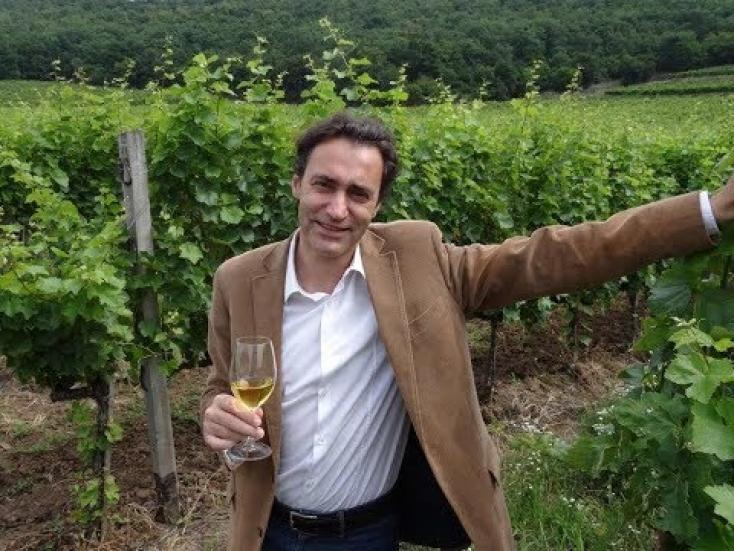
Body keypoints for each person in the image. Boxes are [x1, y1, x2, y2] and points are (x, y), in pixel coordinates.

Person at [201, 112, 733, 551]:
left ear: (378, 204)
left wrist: (709, 211)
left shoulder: (419, 259)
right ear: (297, 183)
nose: (337, 209)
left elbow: (561, 255)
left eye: (358, 193)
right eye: (324, 185)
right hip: (265, 530)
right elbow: (223, 388)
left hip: (368, 533)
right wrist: (217, 417)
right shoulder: (239, 280)